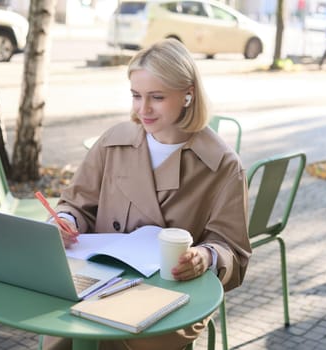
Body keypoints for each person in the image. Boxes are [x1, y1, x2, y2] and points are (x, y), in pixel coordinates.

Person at [43, 38, 251, 350]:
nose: (143, 109)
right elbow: (78, 203)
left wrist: (205, 258)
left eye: (157, 97)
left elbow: (231, 249)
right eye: (136, 96)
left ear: (188, 94)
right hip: (100, 279)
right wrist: (65, 219)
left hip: (169, 296)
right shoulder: (113, 140)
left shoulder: (221, 164)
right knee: (60, 334)